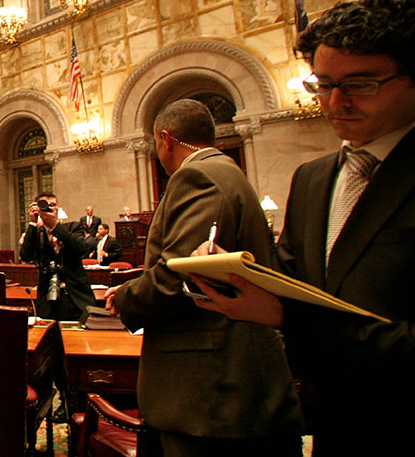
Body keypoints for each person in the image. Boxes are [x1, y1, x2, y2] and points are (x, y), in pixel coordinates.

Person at [190, 0, 415, 455]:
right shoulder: (314, 179)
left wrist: (287, 317)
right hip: (337, 419)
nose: (336, 101)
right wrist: (230, 273)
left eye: (362, 84)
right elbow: (292, 278)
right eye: (323, 84)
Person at [104, 99, 303, 456]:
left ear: (165, 139)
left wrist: (125, 298)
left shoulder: (198, 177)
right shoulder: (225, 171)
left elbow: (179, 274)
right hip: (225, 383)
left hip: (210, 388)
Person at [19, 193, 96, 320]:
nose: (50, 208)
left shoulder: (73, 227)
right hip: (48, 301)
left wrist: (54, 225)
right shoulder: (37, 233)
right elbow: (25, 256)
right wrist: (33, 224)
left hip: (77, 299)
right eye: (45, 205)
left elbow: (81, 248)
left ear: (58, 208)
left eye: (53, 205)